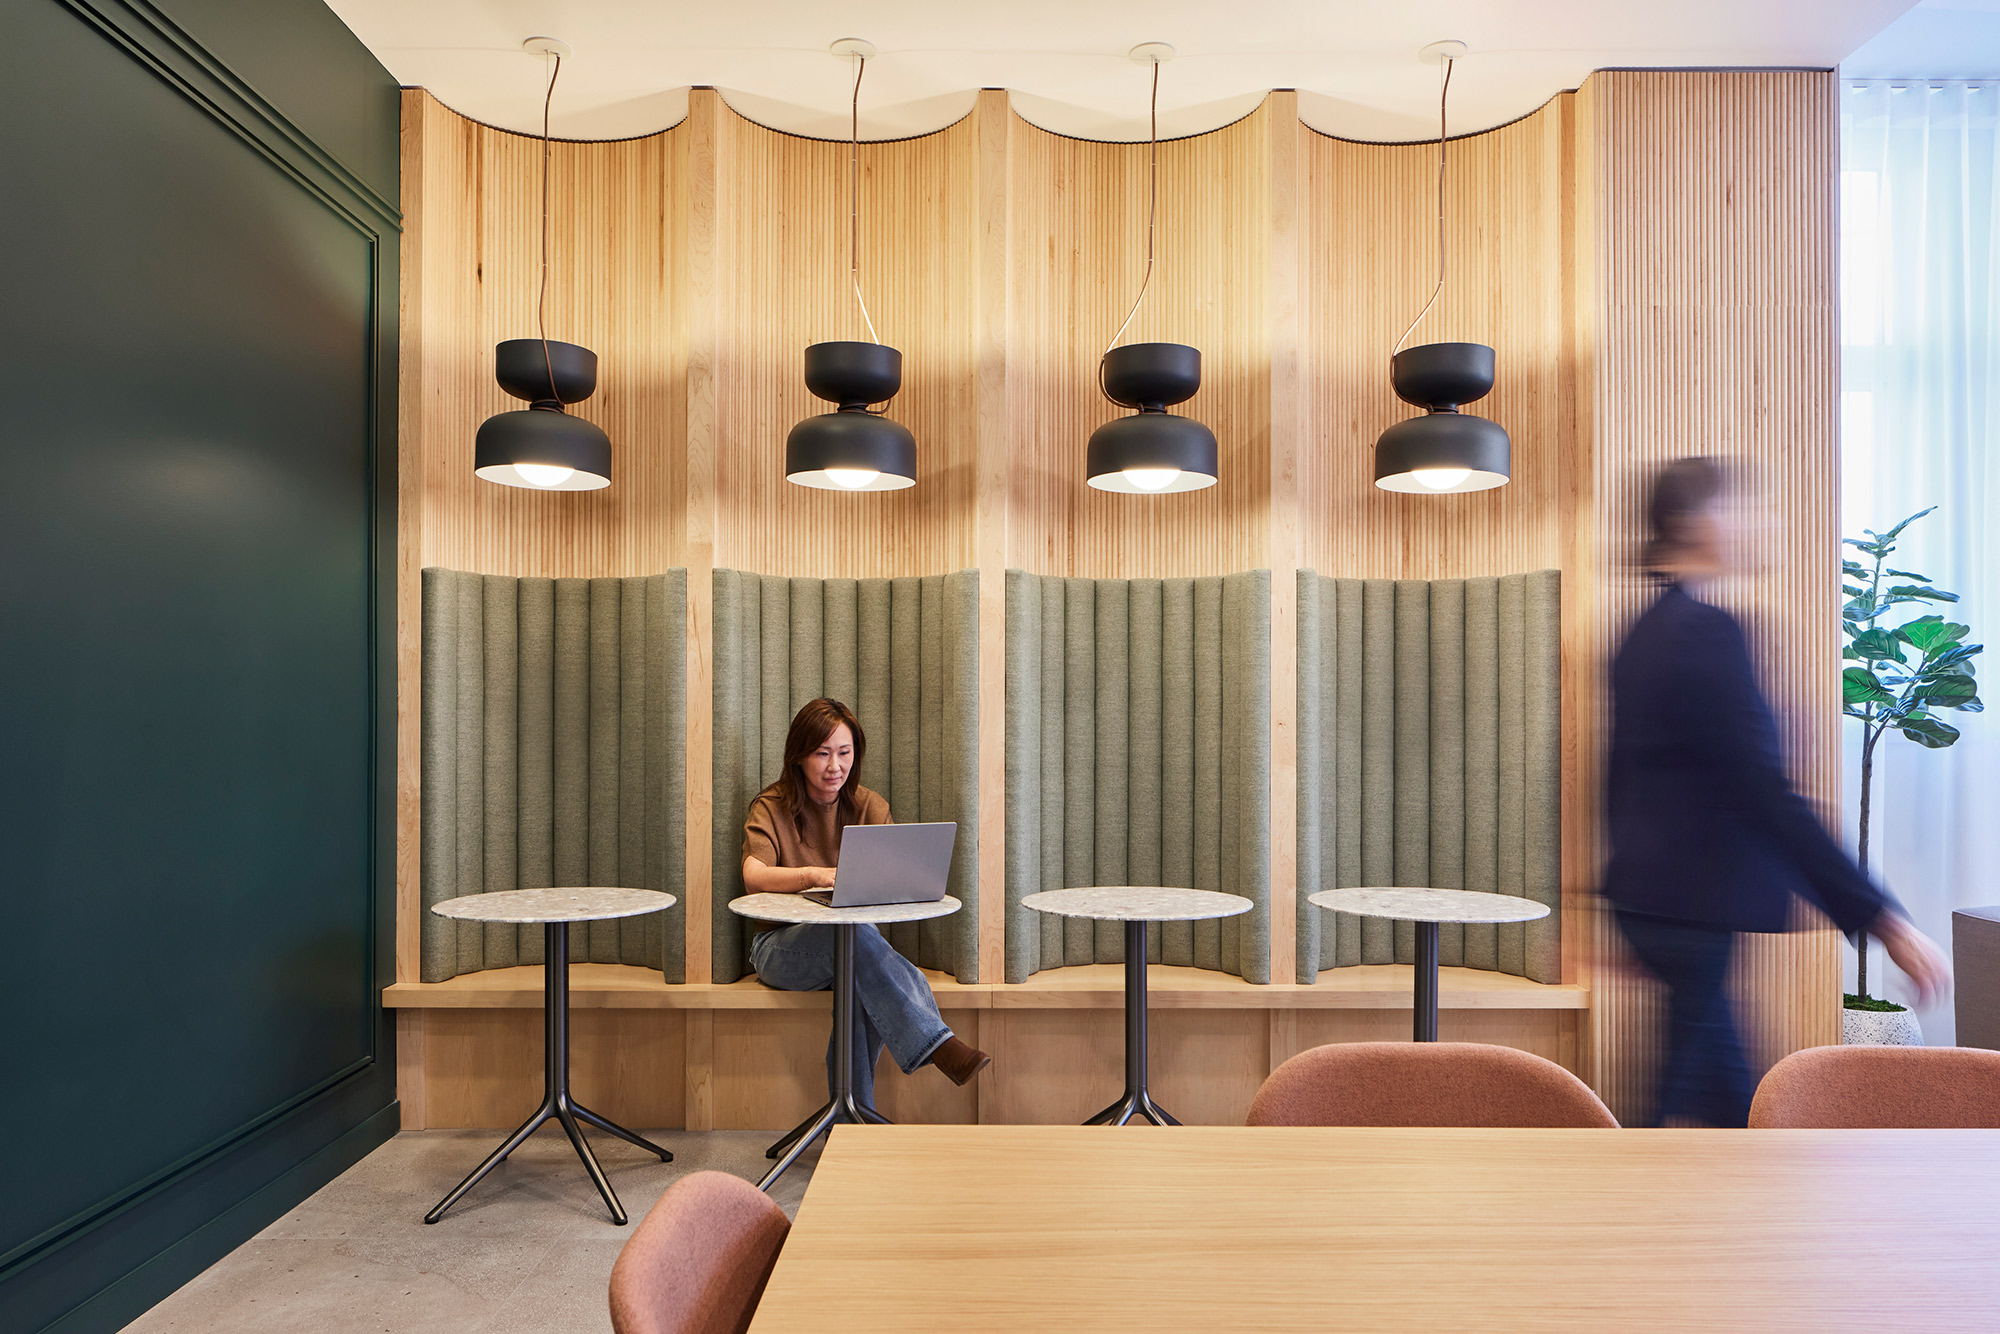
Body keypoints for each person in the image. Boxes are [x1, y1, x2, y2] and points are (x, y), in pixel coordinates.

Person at [1603, 457, 1951, 1127]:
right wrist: (1882, 919)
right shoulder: (1707, 633)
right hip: (1689, 911)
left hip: (1659, 908)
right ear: (1689, 523)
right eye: (1740, 509)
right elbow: (1766, 794)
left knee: (1722, 1098)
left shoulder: (1644, 631)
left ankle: (1694, 1210)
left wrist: (1620, 901)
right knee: (1708, 1108)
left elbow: (1626, 780)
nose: (1761, 524)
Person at [742, 697, 990, 1107]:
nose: (834, 766)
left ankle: (850, 1123)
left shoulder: (869, 806)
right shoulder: (771, 806)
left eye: (844, 753)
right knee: (857, 943)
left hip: (855, 947)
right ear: (799, 756)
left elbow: (893, 882)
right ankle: (937, 1043)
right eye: (822, 753)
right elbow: (754, 875)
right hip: (780, 949)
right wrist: (814, 876)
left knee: (858, 964)